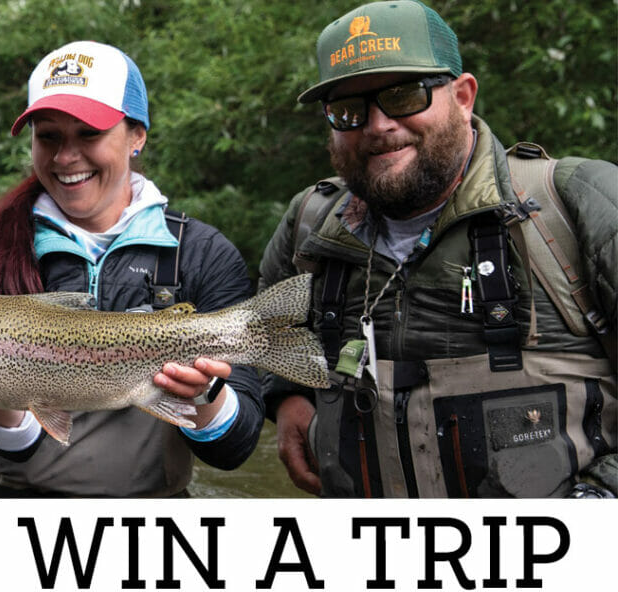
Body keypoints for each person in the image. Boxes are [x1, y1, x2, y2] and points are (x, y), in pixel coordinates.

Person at [260, 0, 617, 498]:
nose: (378, 125)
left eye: (404, 95)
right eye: (349, 110)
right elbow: (264, 337)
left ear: (464, 96)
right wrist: (287, 397)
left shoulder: (580, 202)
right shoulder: (309, 225)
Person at [0, 40, 265, 497]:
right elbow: (17, 448)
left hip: (149, 527)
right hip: (9, 512)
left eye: (89, 134)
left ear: (137, 135)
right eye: (49, 136)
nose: (65, 157)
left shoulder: (202, 254)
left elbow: (235, 449)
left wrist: (203, 394)